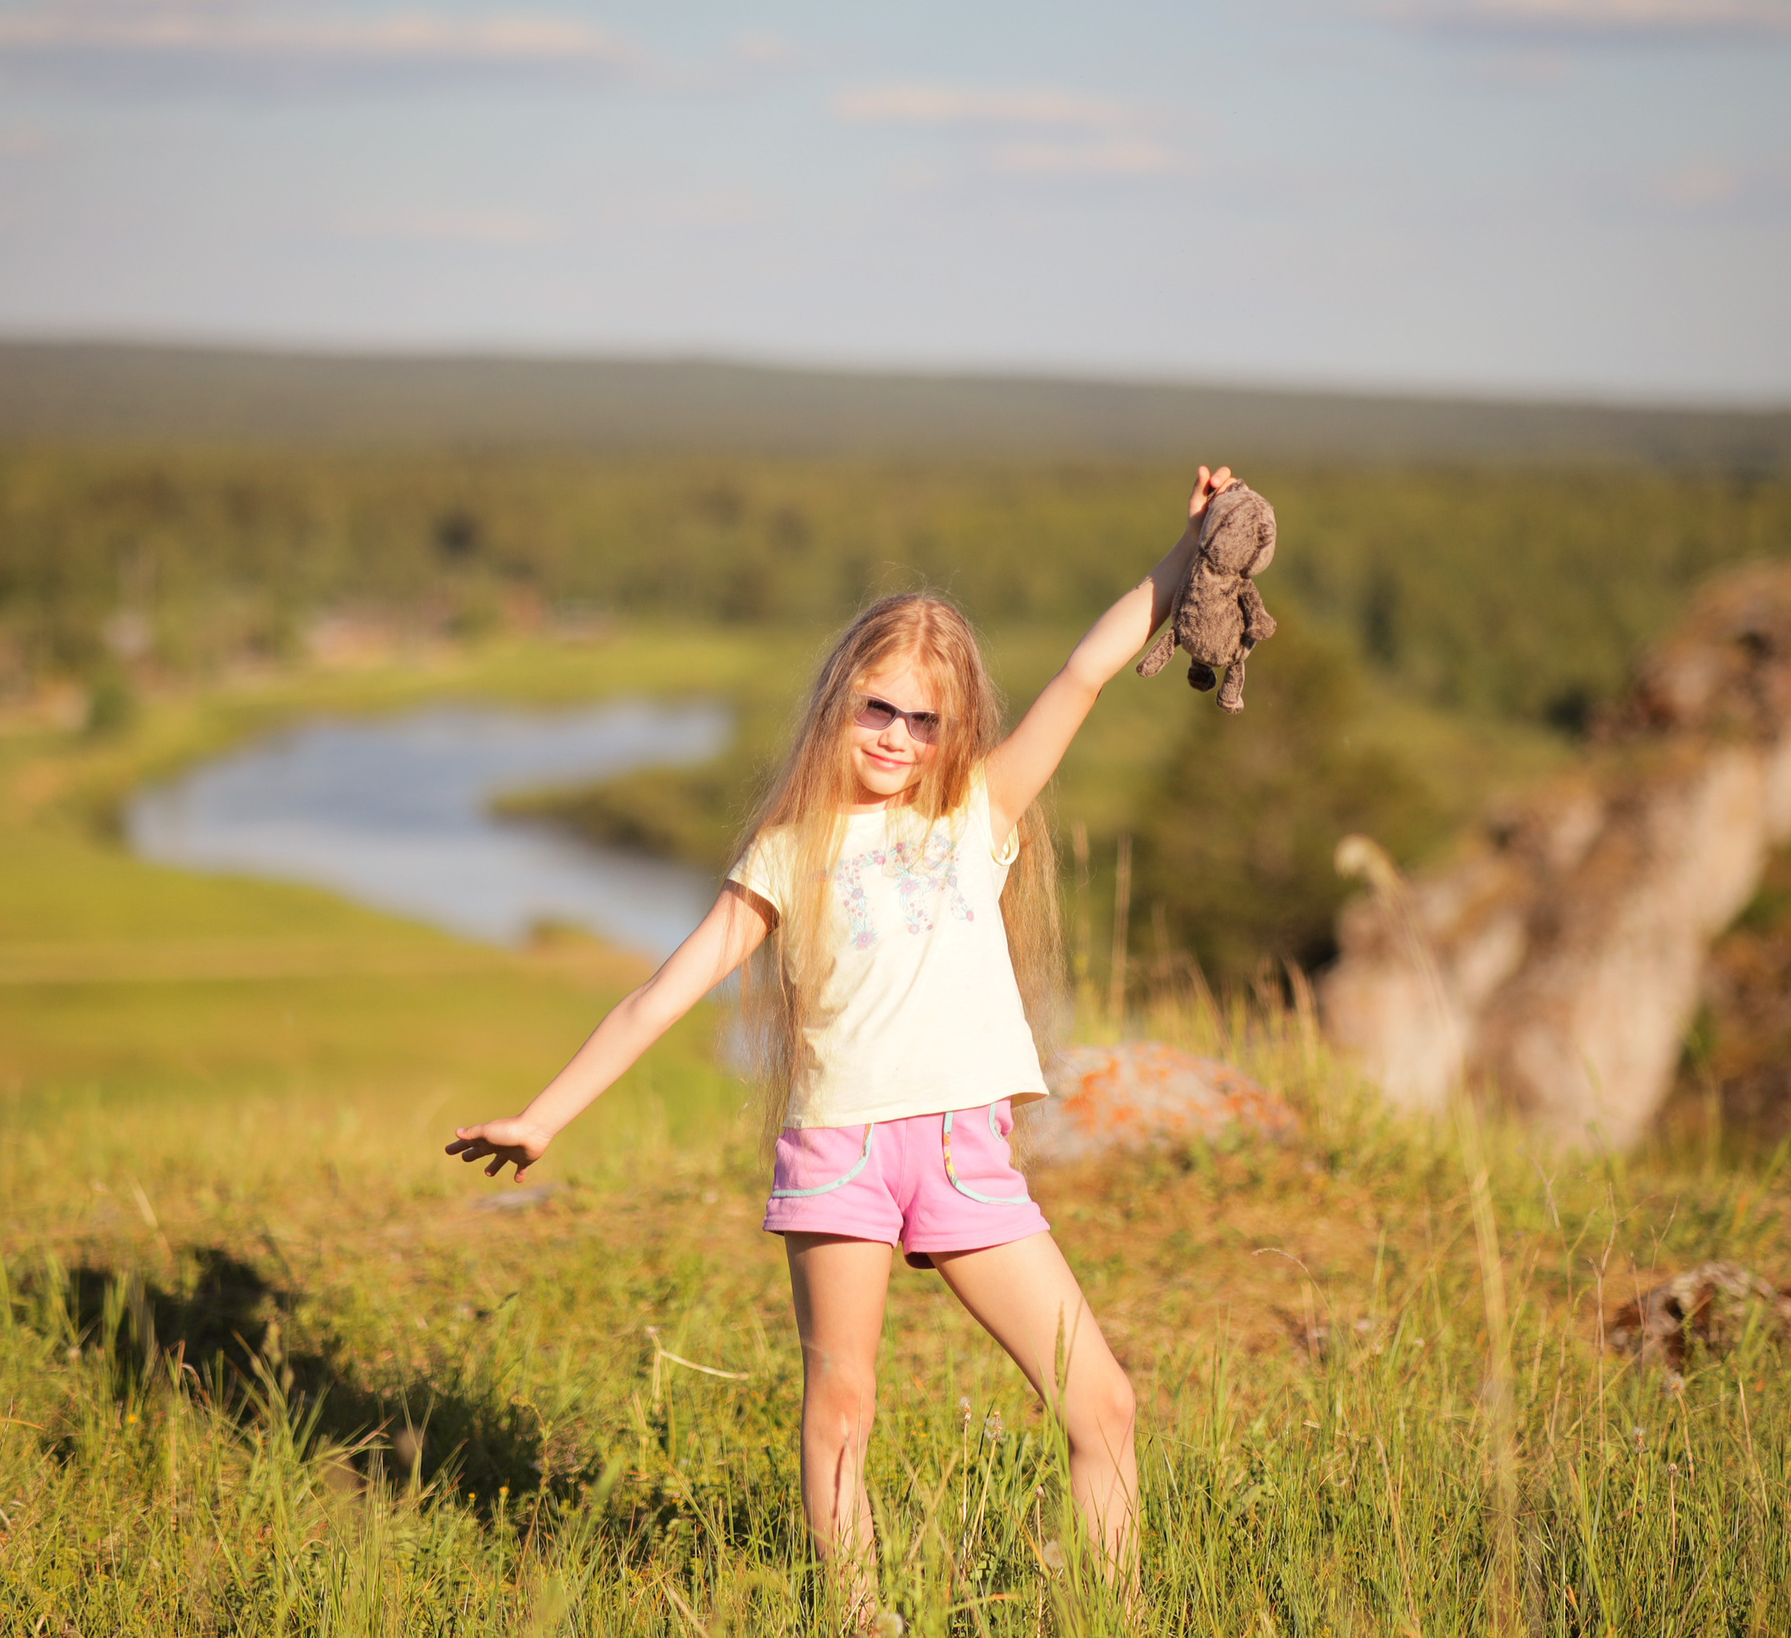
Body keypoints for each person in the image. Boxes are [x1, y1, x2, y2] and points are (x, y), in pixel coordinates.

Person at [446, 465, 1243, 1615]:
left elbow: (1084, 669)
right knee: (841, 1413)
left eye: (925, 720)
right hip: (844, 1155)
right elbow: (657, 1000)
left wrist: (1191, 553)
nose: (898, 736)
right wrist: (541, 1117)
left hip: (967, 1154)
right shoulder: (788, 847)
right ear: (840, 699)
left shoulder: (978, 813)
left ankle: (1094, 1608)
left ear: (953, 729)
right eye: (878, 706)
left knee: (1102, 1405)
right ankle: (860, 1616)